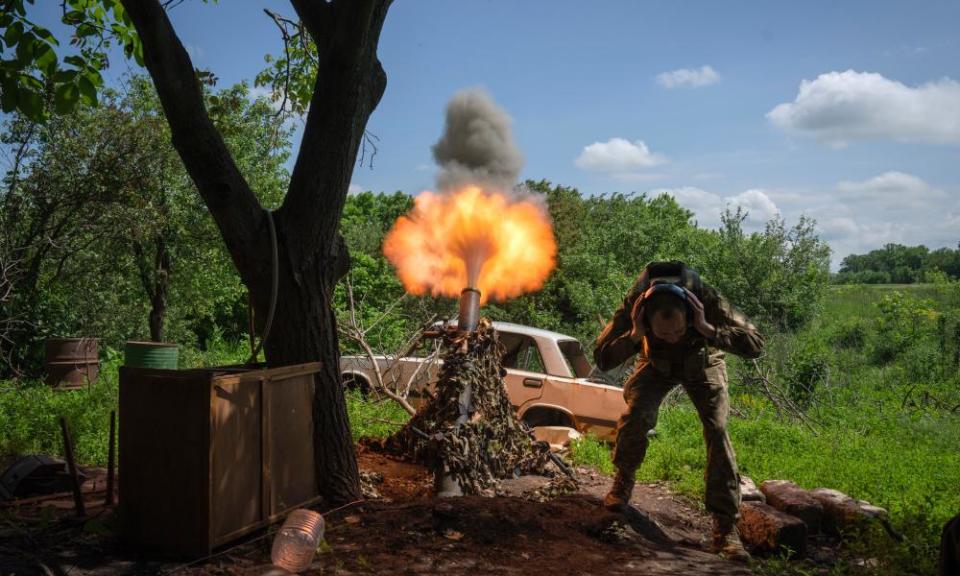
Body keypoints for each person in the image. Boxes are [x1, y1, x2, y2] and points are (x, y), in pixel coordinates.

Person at [594, 261, 764, 561]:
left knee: (718, 429)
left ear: (690, 313)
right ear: (646, 319)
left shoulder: (705, 298)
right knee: (637, 416)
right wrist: (634, 336)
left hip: (702, 362)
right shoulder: (635, 302)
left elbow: (755, 343)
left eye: (677, 331)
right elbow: (602, 356)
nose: (672, 337)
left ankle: (725, 529)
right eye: (663, 333)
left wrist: (707, 329)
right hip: (654, 363)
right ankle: (623, 482)